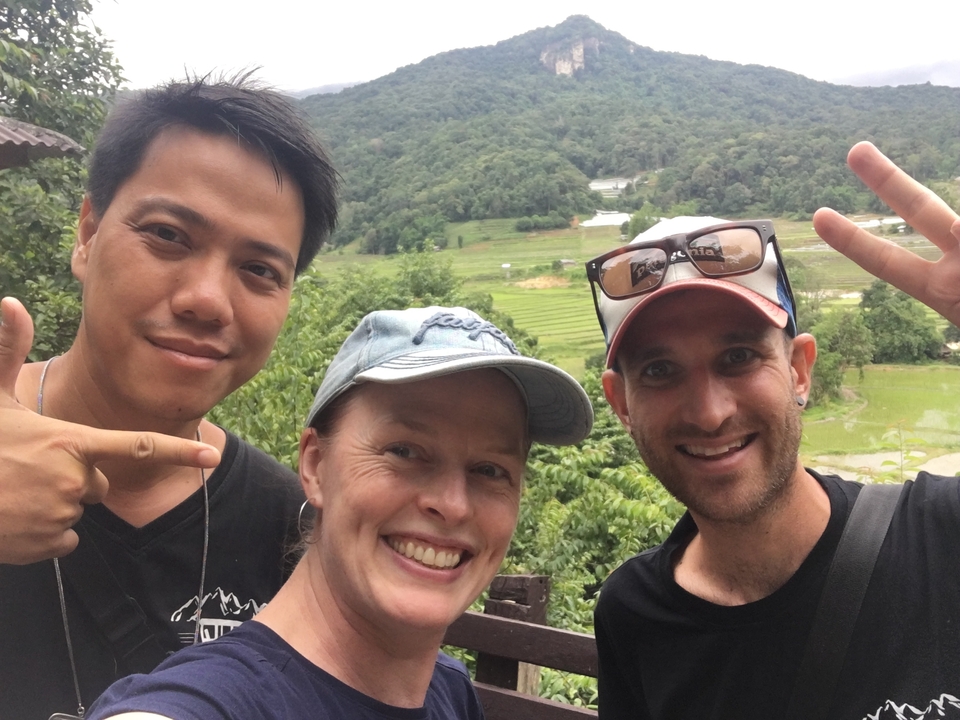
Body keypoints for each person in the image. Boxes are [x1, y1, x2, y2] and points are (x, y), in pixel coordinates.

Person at [0, 74, 339, 719]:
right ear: (88, 234)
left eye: (259, 270)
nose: (207, 300)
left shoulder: (294, 531)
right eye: (168, 235)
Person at [588, 141, 960, 720]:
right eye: (659, 371)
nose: (710, 414)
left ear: (799, 370)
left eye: (738, 357)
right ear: (622, 404)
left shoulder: (942, 536)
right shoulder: (631, 613)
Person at [83, 305, 594, 720]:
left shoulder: (447, 690)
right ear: (315, 464)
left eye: (490, 470)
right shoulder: (214, 701)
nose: (452, 503)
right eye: (405, 451)